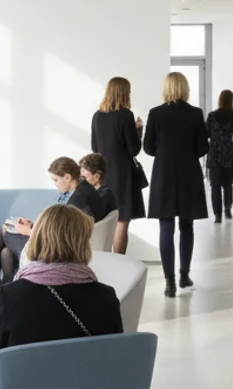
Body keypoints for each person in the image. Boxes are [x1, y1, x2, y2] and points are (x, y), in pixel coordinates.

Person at [0, 204, 123, 353]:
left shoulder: (7, 296)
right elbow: (113, 358)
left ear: (36, 239)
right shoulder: (105, 297)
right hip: (83, 376)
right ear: (83, 244)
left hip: (25, 376)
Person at [0, 157, 103, 289]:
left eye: (56, 180)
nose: (55, 184)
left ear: (67, 177)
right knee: (6, 252)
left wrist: (29, 231)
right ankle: (3, 284)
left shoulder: (78, 199)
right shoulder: (81, 189)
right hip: (54, 237)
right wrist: (32, 224)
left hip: (55, 245)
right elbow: (57, 223)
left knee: (4, 229)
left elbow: (60, 233)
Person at [144, 71, 209, 298]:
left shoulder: (155, 114)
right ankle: (184, 275)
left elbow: (148, 148)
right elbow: (203, 148)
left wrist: (164, 151)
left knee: (166, 228)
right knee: (187, 226)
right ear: (185, 88)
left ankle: (169, 282)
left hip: (164, 174)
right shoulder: (195, 113)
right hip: (189, 174)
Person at [91, 76, 146, 255]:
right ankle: (119, 262)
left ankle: (106, 262)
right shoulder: (125, 115)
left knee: (107, 220)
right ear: (123, 93)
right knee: (122, 220)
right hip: (123, 173)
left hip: (103, 174)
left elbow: (94, 147)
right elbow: (134, 149)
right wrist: (138, 130)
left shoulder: (97, 115)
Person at [206, 89, 233, 223]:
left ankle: (217, 215)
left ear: (219, 100)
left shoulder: (212, 116)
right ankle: (228, 209)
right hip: (231, 154)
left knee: (215, 185)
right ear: (232, 100)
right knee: (228, 184)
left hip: (214, 154)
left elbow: (206, 133)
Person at [79, 152, 119, 220]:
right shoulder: (103, 191)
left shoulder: (103, 197)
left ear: (97, 176)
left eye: (84, 177)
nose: (81, 181)